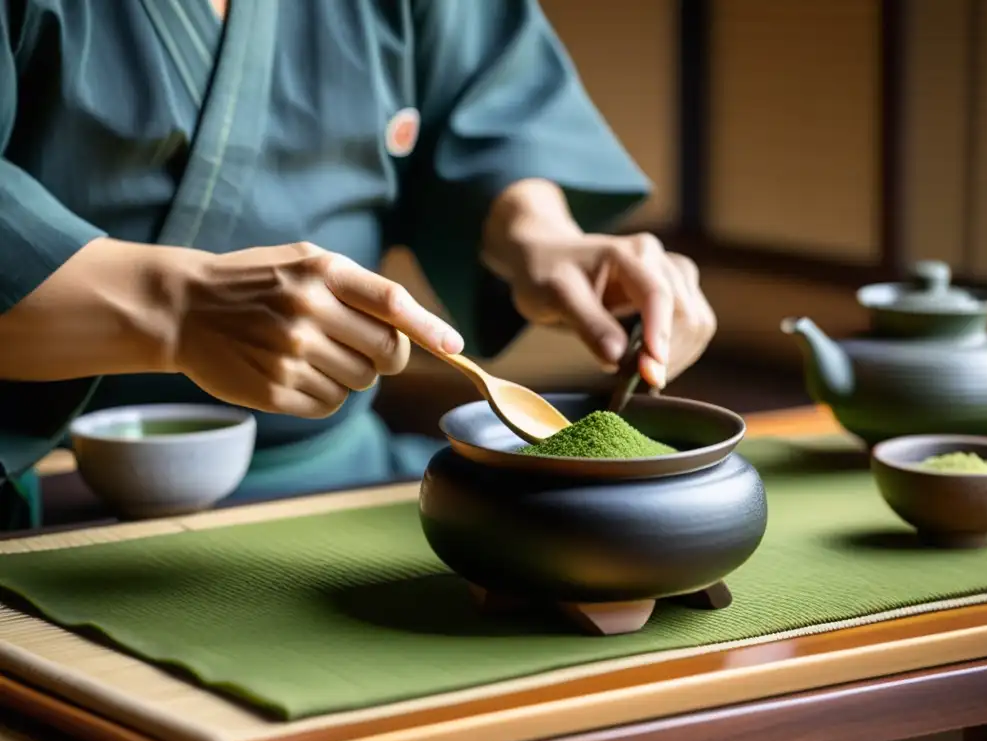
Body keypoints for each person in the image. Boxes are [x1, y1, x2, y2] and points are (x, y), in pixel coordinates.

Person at [0, 0, 717, 528]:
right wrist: (176, 307)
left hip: (336, 486)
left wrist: (544, 235)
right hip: (45, 496)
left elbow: (482, 96)